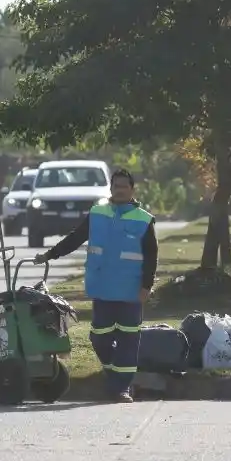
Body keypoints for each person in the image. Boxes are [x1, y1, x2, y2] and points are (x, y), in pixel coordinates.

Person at [33, 168, 158, 403]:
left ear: (132, 190)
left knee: (128, 339)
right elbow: (75, 237)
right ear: (110, 189)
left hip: (131, 291)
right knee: (99, 337)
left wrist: (146, 286)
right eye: (116, 185)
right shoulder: (97, 214)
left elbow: (151, 255)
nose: (120, 190)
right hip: (102, 288)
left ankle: (121, 388)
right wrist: (51, 254)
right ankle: (115, 377)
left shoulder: (143, 219)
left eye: (124, 186)